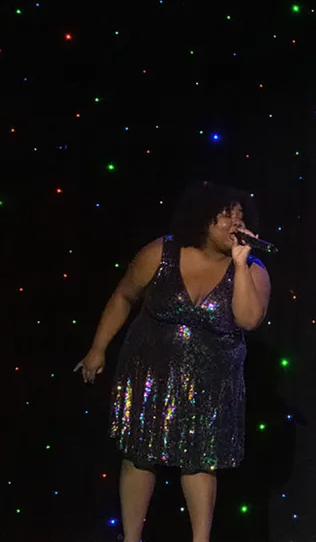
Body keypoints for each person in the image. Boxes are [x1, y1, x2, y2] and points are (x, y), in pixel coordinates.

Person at [74, 181, 271, 542]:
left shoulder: (253, 269)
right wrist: (98, 348)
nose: (234, 225)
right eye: (225, 216)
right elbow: (123, 296)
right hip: (150, 369)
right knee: (139, 453)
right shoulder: (160, 252)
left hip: (213, 378)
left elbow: (247, 320)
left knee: (199, 459)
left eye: (240, 217)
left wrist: (241, 266)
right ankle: (130, 538)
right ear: (201, 219)